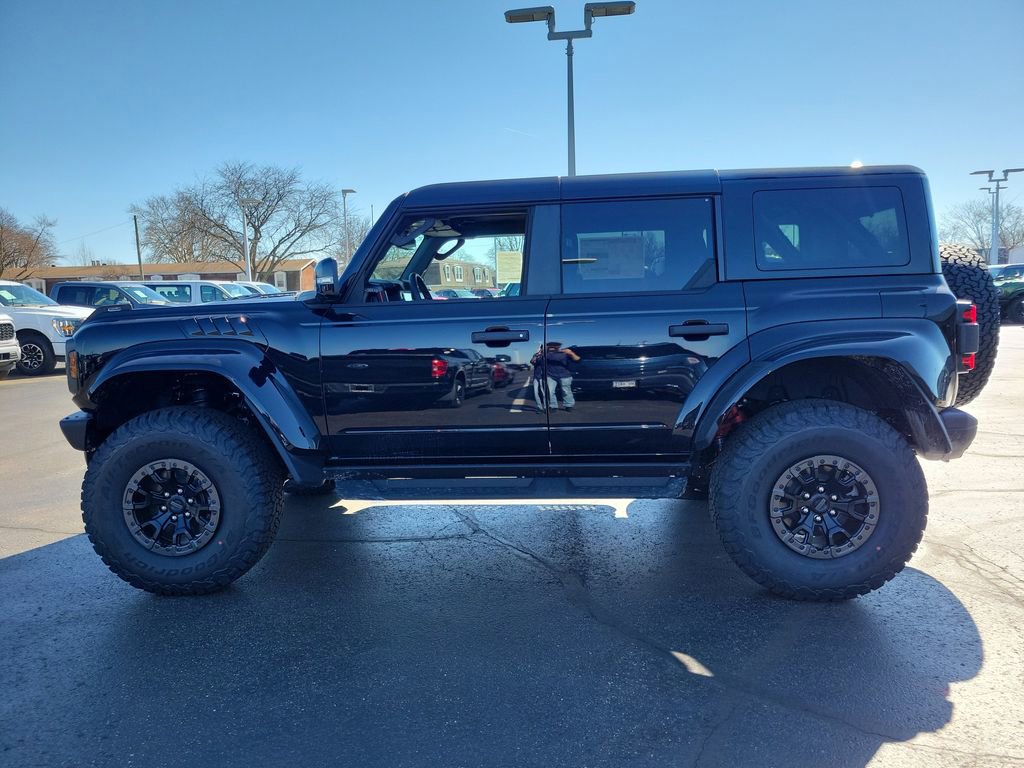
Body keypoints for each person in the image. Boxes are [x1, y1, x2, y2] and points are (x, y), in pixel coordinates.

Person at [543, 341, 580, 411]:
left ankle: (569, 405)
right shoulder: (545, 354)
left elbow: (577, 359)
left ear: (558, 346)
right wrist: (541, 351)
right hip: (550, 375)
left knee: (566, 391)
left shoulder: (565, 353)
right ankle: (553, 406)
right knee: (550, 391)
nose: (552, 347)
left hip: (565, 376)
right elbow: (538, 360)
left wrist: (571, 353)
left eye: (555, 345)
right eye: (550, 345)